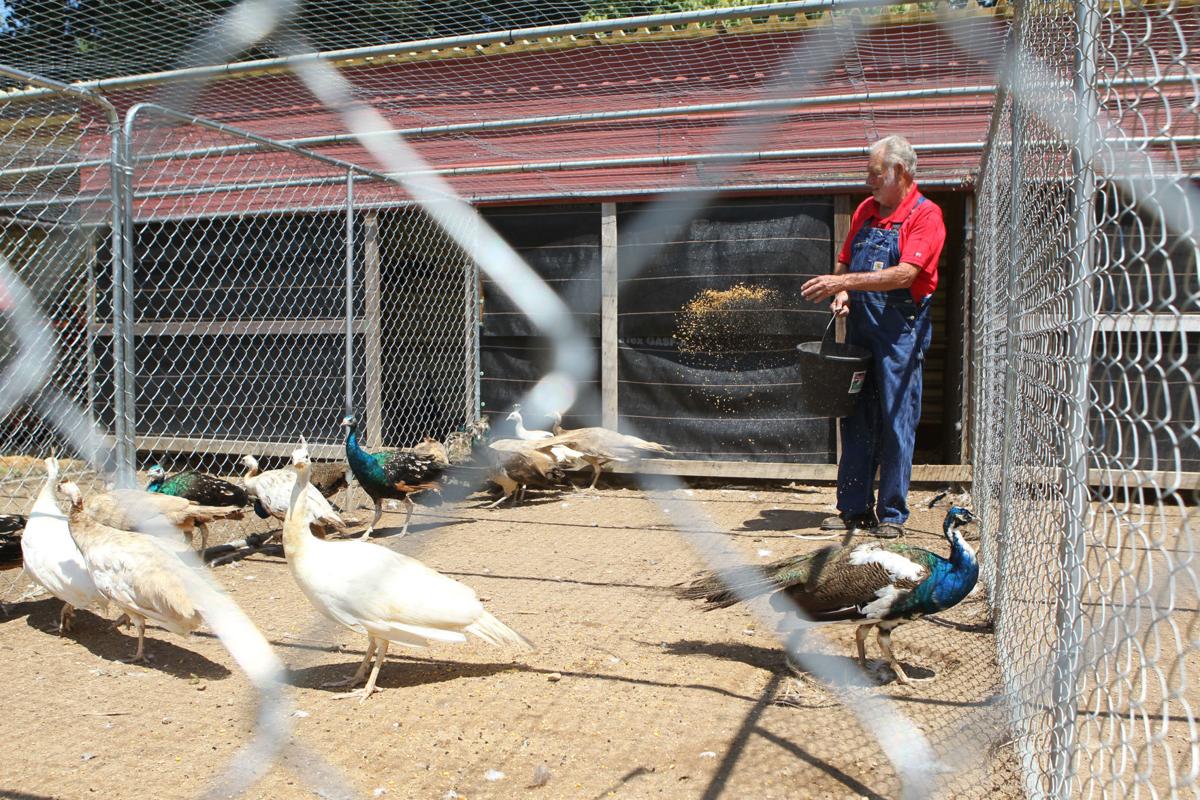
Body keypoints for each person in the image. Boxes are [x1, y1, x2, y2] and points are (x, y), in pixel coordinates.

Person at [800, 135, 946, 538]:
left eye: (874, 173)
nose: (868, 181)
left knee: (898, 418)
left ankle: (893, 514)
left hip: (901, 330)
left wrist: (841, 281)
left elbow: (905, 275)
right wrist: (843, 292)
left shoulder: (925, 215)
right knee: (856, 414)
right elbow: (845, 258)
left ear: (898, 172)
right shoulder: (867, 210)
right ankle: (853, 508)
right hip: (863, 326)